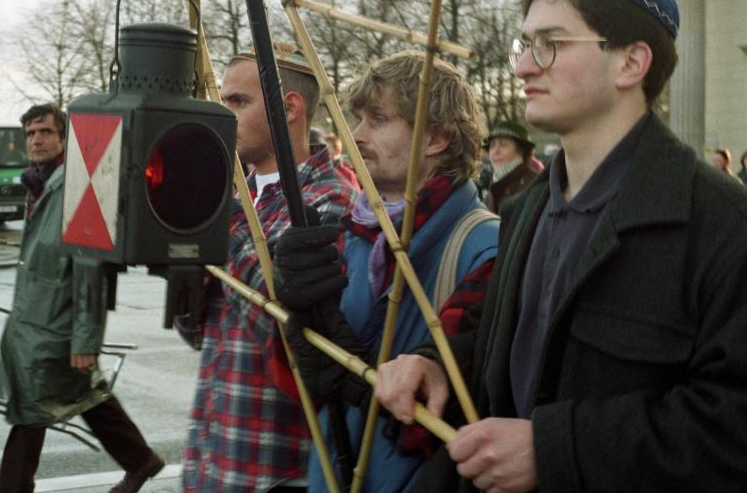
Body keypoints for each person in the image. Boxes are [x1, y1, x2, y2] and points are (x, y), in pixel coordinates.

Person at [375, 0, 747, 493]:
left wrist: (555, 449)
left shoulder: (730, 228)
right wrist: (439, 367)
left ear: (631, 62)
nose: (524, 67)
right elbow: (502, 342)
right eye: (525, 44)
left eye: (551, 43)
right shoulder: (524, 210)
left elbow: (743, 427)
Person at [274, 51, 500, 492]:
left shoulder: (485, 247)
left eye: (377, 119)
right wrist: (294, 318)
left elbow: (444, 404)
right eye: (358, 118)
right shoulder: (345, 233)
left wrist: (360, 379)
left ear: (434, 138)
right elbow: (295, 387)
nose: (355, 135)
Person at [179, 45, 358, 493]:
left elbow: (287, 326)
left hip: (276, 469)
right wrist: (182, 278)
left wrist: (224, 220)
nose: (225, 114)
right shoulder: (241, 200)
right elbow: (200, 331)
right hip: (216, 455)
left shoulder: (329, 200)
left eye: (238, 102)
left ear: (290, 107)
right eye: (224, 102)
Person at [0, 104, 163, 493]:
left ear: (64, 137)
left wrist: (86, 338)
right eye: (30, 133)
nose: (37, 139)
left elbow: (91, 266)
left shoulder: (77, 184)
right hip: (34, 324)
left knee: (31, 412)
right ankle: (142, 460)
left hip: (55, 326)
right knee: (85, 397)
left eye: (46, 132)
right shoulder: (38, 185)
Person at [483, 120, 540, 214]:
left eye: (503, 145)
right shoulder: (493, 187)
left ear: (521, 150)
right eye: (492, 146)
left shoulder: (534, 185)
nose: (496, 151)